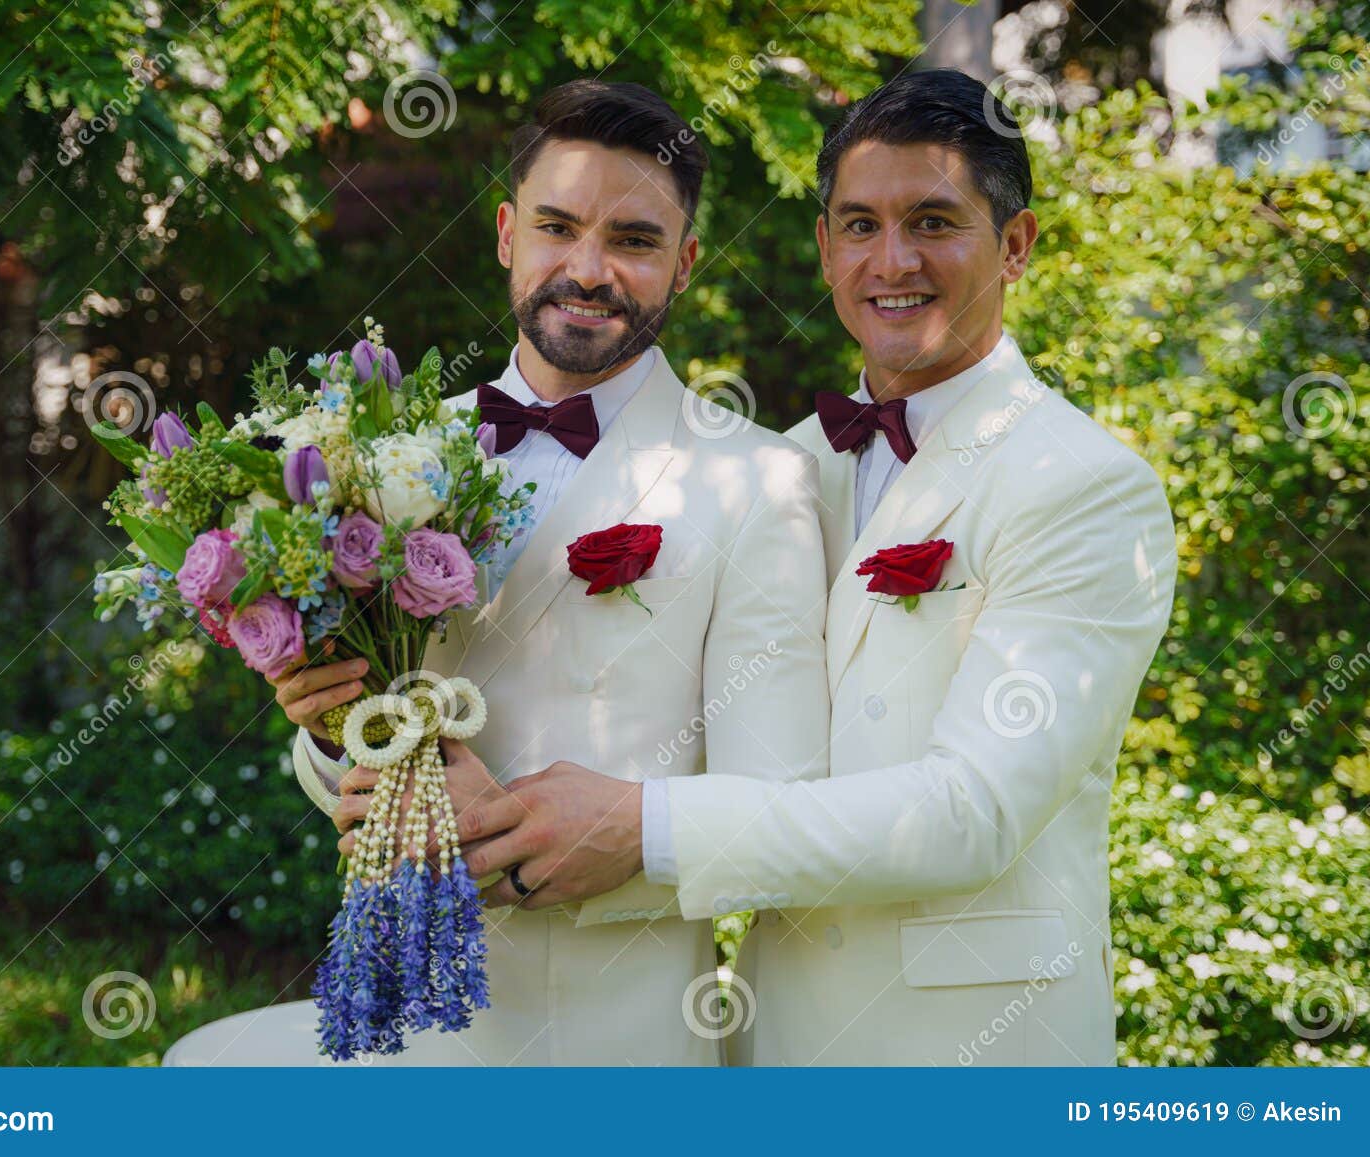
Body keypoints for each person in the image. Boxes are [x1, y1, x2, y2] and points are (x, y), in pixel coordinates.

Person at [451, 69, 1177, 1066]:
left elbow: (973, 812)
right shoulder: (783, 463)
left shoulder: (1086, 484)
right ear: (825, 246)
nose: (893, 260)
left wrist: (643, 825)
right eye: (859, 224)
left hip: (974, 1052)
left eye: (932, 221)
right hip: (775, 1041)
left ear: (1014, 246)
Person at [265, 78, 829, 1066]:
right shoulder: (375, 452)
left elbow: (777, 796)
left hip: (621, 1036)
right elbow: (347, 748)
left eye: (635, 239)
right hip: (392, 1018)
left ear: (686, 263)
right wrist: (327, 736)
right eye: (556, 226)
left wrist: (579, 838)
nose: (587, 268)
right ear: (503, 232)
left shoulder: (758, 478)